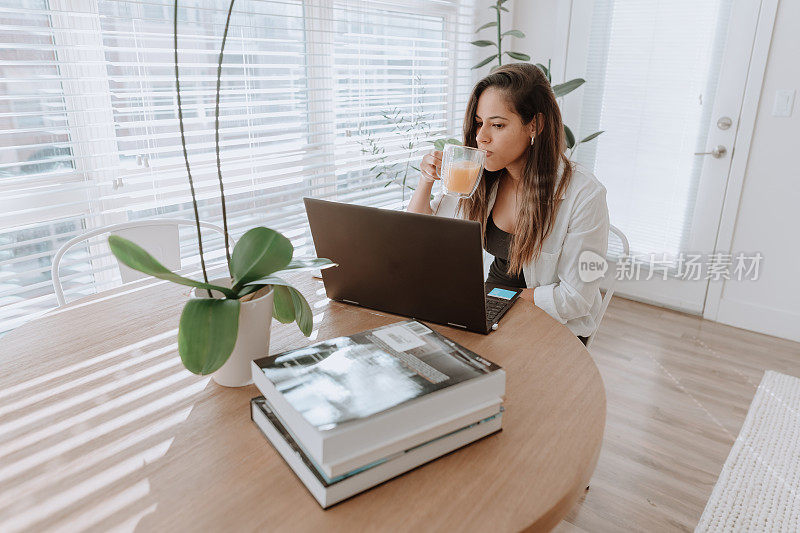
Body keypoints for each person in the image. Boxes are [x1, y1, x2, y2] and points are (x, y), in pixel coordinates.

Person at [407, 63, 609, 344]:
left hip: (552, 324)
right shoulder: (479, 176)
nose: (481, 137)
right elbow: (419, 234)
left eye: (498, 125)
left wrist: (491, 296)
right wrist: (426, 179)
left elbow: (576, 299)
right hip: (490, 306)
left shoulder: (585, 194)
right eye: (479, 123)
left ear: (534, 125)